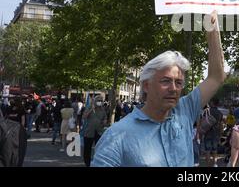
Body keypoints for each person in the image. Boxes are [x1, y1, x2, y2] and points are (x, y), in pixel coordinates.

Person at [92, 11, 225, 166]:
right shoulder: (116, 136)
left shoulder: (185, 110)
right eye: (166, 81)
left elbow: (216, 76)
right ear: (146, 85)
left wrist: (212, 27)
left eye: (179, 83)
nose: (173, 89)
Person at [82, 95, 107, 166]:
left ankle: (97, 162)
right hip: (89, 132)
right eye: (98, 100)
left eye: (101, 100)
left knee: (99, 148)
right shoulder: (90, 107)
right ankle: (87, 163)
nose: (100, 102)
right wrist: (91, 109)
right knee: (87, 149)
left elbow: (105, 118)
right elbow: (84, 117)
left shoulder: (103, 110)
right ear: (95, 101)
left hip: (99, 132)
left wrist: (104, 121)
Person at [201, 97, 223, 167]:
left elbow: (202, 121)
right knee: (215, 149)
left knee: (207, 150)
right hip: (216, 133)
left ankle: (208, 165)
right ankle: (215, 164)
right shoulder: (220, 113)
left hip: (207, 132)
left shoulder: (207, 111)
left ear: (212, 103)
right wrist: (221, 134)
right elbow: (221, 125)